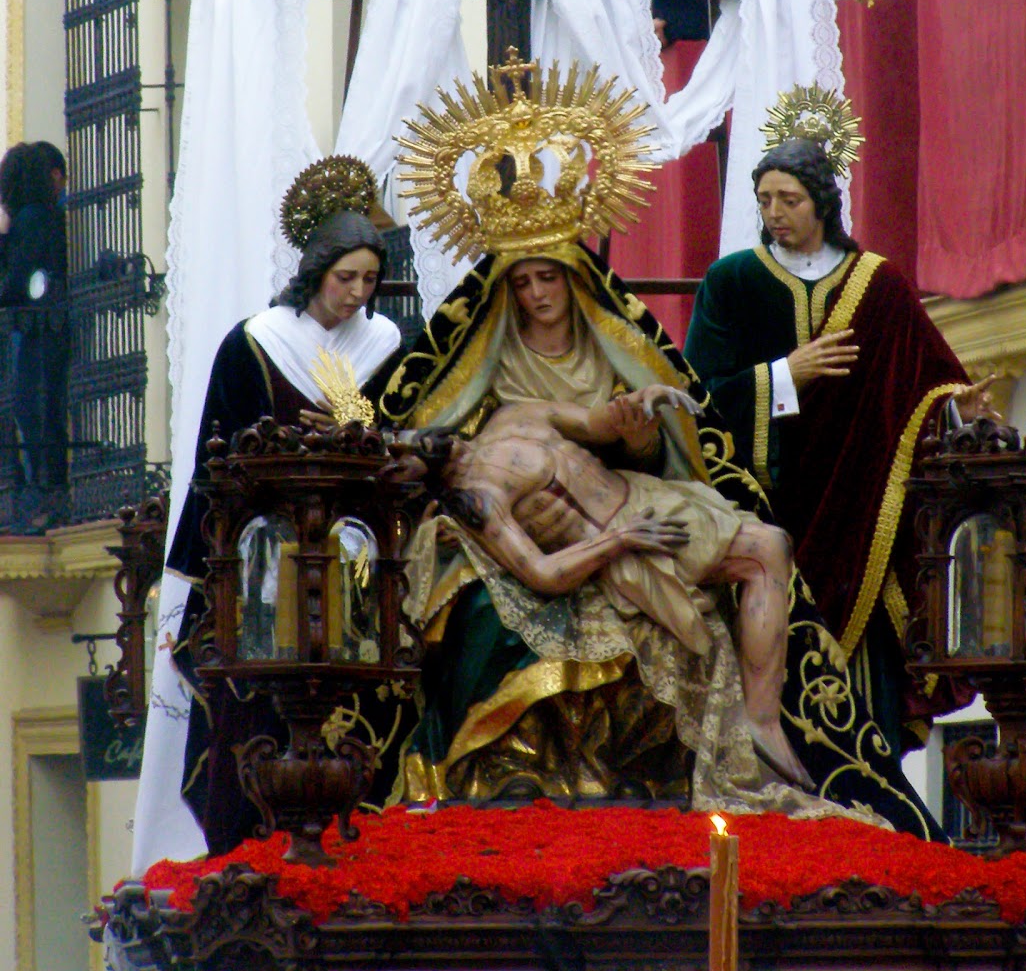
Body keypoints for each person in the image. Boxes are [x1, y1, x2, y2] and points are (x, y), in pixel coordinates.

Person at [684, 134, 995, 758]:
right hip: (768, 507)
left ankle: (870, 781)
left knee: (870, 676)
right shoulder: (733, 282)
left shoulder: (876, 284)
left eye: (790, 198)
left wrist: (955, 409)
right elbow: (695, 398)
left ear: (821, 201)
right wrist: (781, 377)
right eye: (765, 198)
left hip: (861, 514)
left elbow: (922, 381)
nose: (775, 212)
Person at [167, 155, 407, 854]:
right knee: (257, 716)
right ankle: (253, 840)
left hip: (362, 565)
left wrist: (363, 436)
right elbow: (218, 460)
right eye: (345, 278)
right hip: (266, 567)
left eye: (369, 279)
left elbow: (403, 438)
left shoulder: (386, 346)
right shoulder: (254, 345)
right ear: (314, 272)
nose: (358, 294)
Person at [395, 393, 815, 791]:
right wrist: (620, 540)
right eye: (399, 455)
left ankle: (762, 720)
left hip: (650, 498)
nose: (410, 444)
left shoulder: (511, 415)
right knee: (765, 553)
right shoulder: (478, 499)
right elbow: (543, 573)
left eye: (404, 437)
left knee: (773, 545)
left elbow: (597, 422)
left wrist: (639, 403)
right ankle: (758, 728)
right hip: (628, 543)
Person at [0, 142, 69, 524]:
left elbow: (17, 277)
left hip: (37, 329)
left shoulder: (29, 219)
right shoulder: (43, 216)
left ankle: (41, 496)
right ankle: (46, 489)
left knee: (32, 410)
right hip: (45, 327)